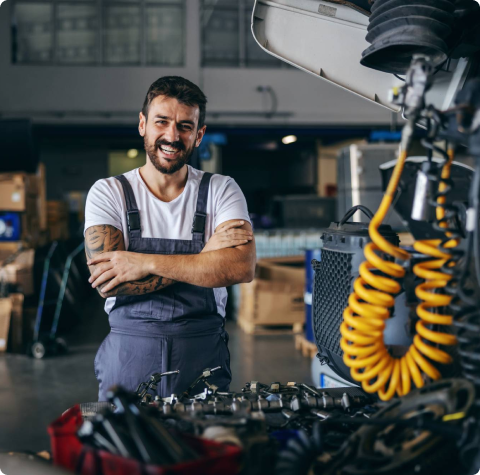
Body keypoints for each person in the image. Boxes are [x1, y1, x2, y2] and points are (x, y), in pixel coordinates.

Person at [84, 76, 256, 401]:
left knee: (201, 448)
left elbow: (239, 268)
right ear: (142, 124)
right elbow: (109, 282)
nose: (172, 136)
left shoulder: (221, 189)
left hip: (202, 355)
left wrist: (142, 261)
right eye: (161, 122)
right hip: (129, 356)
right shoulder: (109, 193)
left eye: (185, 126)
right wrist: (205, 259)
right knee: (126, 447)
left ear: (199, 134)